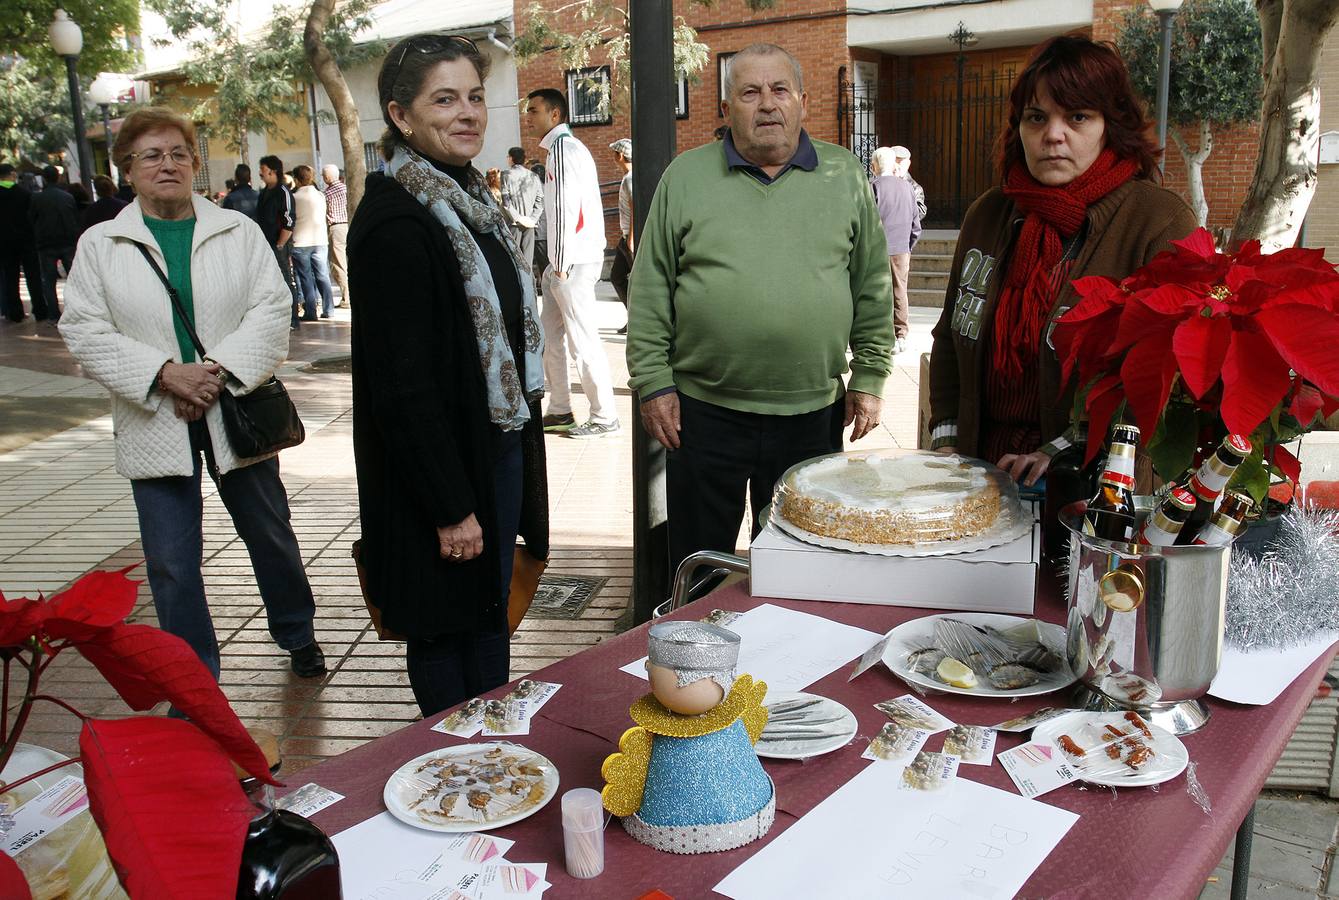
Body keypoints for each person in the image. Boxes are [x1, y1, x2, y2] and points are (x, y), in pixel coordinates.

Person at [59, 107, 325, 681]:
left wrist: (215, 372)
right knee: (172, 563)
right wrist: (163, 374)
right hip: (154, 416)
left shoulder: (237, 229)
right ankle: (193, 675)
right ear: (127, 169)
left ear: (195, 164)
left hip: (235, 407)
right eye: (151, 155)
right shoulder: (102, 244)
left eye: (179, 153)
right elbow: (82, 327)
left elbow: (273, 308)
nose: (168, 164)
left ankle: (297, 632)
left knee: (269, 533)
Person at [627, 43, 894, 575]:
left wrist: (870, 376)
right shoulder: (685, 177)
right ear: (726, 110)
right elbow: (651, 284)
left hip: (812, 415)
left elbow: (872, 284)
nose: (766, 104)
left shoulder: (843, 175)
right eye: (749, 92)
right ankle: (695, 655)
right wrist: (652, 382)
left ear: (803, 102)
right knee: (700, 566)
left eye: (780, 90)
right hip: (702, 414)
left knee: (799, 564)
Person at [348, 33, 550, 717]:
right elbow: (403, 387)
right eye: (444, 100)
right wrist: (449, 506)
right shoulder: (396, 221)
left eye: (473, 97)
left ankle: (491, 748)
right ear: (401, 116)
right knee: (443, 626)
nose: (467, 113)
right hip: (439, 473)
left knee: (486, 615)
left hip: (487, 446)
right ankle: (452, 757)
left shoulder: (468, 202)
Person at [928, 36, 1197, 486]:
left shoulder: (1159, 222)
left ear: (1111, 125)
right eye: (1037, 117)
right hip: (978, 475)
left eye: (1077, 116)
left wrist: (1064, 450)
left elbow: (1164, 380)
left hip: (1095, 485)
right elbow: (951, 336)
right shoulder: (989, 214)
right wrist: (948, 441)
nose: (1053, 134)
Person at [524, 87, 619, 438]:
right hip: (565, 261)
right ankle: (561, 409)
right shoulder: (563, 150)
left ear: (555, 115)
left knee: (581, 338)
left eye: (534, 110)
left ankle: (605, 415)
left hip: (573, 260)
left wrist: (560, 264)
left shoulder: (563, 150)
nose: (528, 116)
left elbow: (565, 209)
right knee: (550, 336)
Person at [870, 146, 921, 355]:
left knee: (877, 293)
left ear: (874, 166)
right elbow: (915, 223)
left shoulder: (872, 187)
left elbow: (867, 222)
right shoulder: (907, 187)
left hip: (878, 249)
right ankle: (901, 335)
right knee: (900, 292)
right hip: (901, 249)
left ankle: (880, 335)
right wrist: (908, 246)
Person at [256, 155, 303, 329]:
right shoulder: (263, 193)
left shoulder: (283, 193)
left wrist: (280, 244)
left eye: (262, 168)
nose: (260, 172)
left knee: (286, 280)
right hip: (266, 244)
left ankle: (292, 318)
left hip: (279, 245)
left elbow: (289, 220)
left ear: (272, 170)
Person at [29, 164, 78, 321]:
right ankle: (76, 311)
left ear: (44, 178)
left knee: (49, 282)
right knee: (75, 279)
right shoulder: (68, 197)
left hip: (46, 244)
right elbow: (73, 219)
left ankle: (54, 315)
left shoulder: (37, 198)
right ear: (58, 177)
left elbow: (31, 219)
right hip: (67, 242)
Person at [290, 164, 336, 319]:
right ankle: (329, 309)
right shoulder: (320, 195)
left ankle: (311, 311)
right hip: (320, 240)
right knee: (323, 275)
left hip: (300, 241)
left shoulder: (294, 198)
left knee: (306, 278)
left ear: (296, 179)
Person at [0, 163, 43, 323]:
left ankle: (15, 312)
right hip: (26, 240)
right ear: (12, 174)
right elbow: (32, 217)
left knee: (11, 278)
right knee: (33, 276)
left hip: (4, 242)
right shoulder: (24, 194)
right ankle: (40, 310)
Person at [498, 146, 542, 276]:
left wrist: (517, 218)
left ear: (511, 158)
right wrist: (532, 219)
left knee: (514, 260)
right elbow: (540, 200)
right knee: (527, 261)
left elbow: (506, 201)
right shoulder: (533, 176)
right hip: (530, 223)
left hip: (513, 223)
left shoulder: (506, 174)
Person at [608, 138, 634, 335]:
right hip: (625, 237)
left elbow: (635, 209)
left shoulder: (630, 179)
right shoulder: (628, 177)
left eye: (614, 153)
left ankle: (638, 320)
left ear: (621, 155)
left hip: (629, 238)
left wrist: (631, 238)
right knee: (617, 276)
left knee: (630, 280)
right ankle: (633, 319)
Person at [322, 164, 351, 308]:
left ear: (327, 177)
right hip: (348, 225)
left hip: (335, 227)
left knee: (339, 264)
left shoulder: (326, 193)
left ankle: (347, 297)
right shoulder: (347, 189)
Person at [890, 145, 927, 224]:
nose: (896, 167)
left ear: (907, 164)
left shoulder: (915, 187)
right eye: (894, 163)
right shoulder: (881, 183)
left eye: (899, 163)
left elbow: (921, 211)